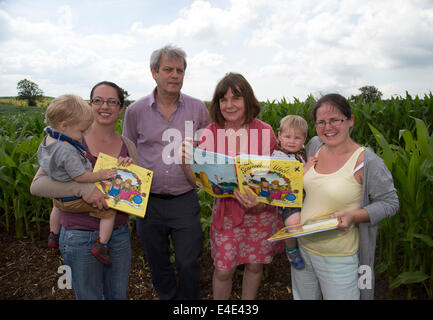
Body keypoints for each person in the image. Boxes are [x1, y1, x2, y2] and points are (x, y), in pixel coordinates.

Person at [30, 81, 138, 300]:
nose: (104, 106)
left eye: (112, 101)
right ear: (90, 105)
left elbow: (134, 191)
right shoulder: (68, 139)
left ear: (121, 108)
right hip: (79, 235)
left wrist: (129, 170)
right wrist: (83, 189)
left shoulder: (128, 145)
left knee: (118, 295)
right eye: (98, 100)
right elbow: (37, 185)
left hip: (117, 234)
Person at [122, 44, 210, 300]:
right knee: (157, 261)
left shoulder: (197, 109)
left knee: (187, 261)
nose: (175, 75)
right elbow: (129, 150)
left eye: (180, 71)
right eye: (168, 69)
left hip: (185, 199)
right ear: (154, 73)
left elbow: (207, 150)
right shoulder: (135, 111)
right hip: (147, 201)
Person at [291, 93, 399, 300]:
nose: (327, 127)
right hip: (303, 249)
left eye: (335, 120)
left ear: (350, 120)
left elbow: (390, 203)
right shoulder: (315, 145)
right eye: (321, 122)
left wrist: (353, 216)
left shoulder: (366, 161)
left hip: (338, 257)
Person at [186, 72, 283, 300]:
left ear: (247, 100)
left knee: (255, 266)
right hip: (227, 215)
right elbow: (197, 181)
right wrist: (186, 160)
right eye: (223, 99)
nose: (229, 105)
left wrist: (260, 201)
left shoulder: (265, 132)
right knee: (223, 269)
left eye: (235, 98)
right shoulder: (210, 133)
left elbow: (278, 176)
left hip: (262, 214)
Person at [37, 94, 119, 265]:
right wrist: (100, 175)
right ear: (64, 125)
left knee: (56, 205)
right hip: (73, 197)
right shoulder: (66, 150)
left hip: (60, 195)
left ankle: (54, 233)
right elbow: (80, 176)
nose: (83, 135)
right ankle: (102, 245)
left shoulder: (49, 138)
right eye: (81, 131)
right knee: (109, 211)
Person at [271, 115, 317, 270]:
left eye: (297, 137)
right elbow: (292, 177)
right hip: (288, 198)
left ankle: (305, 248)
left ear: (304, 139)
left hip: (306, 196)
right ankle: (290, 249)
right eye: (287, 136)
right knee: (292, 224)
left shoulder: (302, 153)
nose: (292, 141)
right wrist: (308, 167)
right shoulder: (278, 156)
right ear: (279, 136)